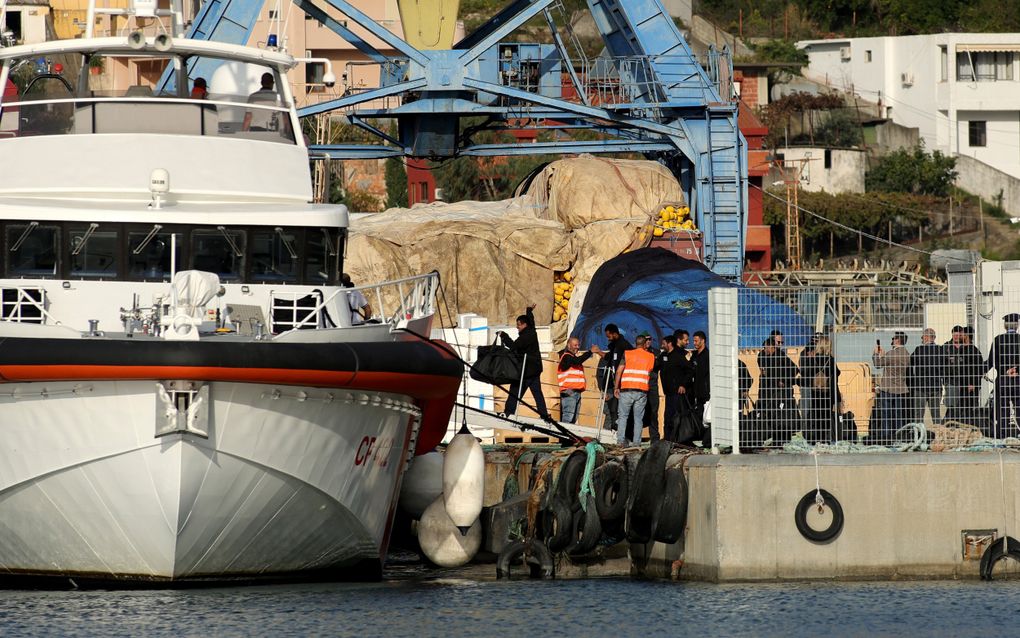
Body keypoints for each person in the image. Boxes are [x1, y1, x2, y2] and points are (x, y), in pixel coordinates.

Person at [499, 304, 551, 421]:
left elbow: (513, 346)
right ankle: (544, 415)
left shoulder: (525, 337)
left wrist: (504, 336)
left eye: (518, 325)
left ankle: (508, 412)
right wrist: (529, 310)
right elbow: (531, 321)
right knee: (537, 393)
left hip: (526, 371)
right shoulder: (532, 331)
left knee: (515, 391)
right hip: (535, 369)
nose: (517, 327)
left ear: (524, 325)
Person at [757, 333, 799, 443]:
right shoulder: (762, 356)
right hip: (767, 390)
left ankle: (781, 436)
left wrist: (784, 380)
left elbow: (795, 369)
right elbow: (765, 372)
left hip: (780, 393)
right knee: (767, 412)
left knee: (780, 414)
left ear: (772, 347)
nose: (766, 350)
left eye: (767, 348)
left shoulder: (781, 356)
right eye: (764, 347)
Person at [614, 335, 655, 446]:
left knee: (623, 417)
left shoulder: (627, 354)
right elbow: (650, 371)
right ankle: (637, 443)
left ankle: (620, 442)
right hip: (641, 391)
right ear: (645, 343)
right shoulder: (650, 356)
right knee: (638, 419)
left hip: (626, 390)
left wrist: (616, 387)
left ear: (635, 343)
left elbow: (618, 371)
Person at [798, 335, 841, 443]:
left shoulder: (814, 359)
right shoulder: (830, 360)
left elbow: (806, 373)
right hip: (827, 392)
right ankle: (825, 439)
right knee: (826, 416)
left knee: (816, 415)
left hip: (815, 392)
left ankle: (816, 438)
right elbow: (838, 373)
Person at [873, 332, 910, 443]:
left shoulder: (891, 354)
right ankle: (899, 437)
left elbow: (878, 364)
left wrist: (876, 354)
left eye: (893, 338)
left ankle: (886, 437)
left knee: (886, 415)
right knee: (899, 415)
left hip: (888, 389)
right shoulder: (907, 354)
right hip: (900, 389)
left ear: (897, 340)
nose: (892, 340)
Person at [988, 313, 1020, 438]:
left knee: (1002, 409)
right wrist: (1016, 369)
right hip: (1018, 380)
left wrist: (979, 370)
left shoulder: (998, 339)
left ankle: (1002, 435)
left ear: (1005, 326)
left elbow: (991, 361)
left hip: (1003, 380)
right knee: (1019, 407)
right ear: (1017, 325)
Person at [947, 326, 986, 429]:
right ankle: (962, 428)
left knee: (970, 408)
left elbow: (978, 369)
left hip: (970, 386)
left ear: (967, 336)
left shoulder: (973, 350)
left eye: (962, 334)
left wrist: (973, 383)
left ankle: (971, 428)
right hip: (962, 384)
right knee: (961, 408)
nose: (960, 335)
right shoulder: (961, 349)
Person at [597, 324, 632, 431]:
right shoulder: (614, 346)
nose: (608, 338)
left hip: (622, 384)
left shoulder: (624, 345)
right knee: (612, 410)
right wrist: (598, 351)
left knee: (620, 410)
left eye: (609, 336)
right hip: (612, 384)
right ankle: (613, 431)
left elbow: (628, 362)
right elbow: (608, 358)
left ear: (614, 333)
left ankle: (621, 433)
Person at [557, 337, 600, 424]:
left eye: (578, 345)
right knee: (568, 418)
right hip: (569, 391)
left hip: (577, 392)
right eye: (575, 345)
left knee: (573, 419)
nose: (577, 347)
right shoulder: (566, 357)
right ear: (569, 346)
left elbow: (577, 361)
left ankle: (568, 437)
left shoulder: (572, 358)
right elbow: (577, 361)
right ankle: (563, 437)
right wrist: (590, 352)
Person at [909, 328, 944, 426]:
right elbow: (944, 367)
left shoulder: (919, 350)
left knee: (919, 416)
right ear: (934, 338)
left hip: (921, 387)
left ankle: (919, 435)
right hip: (936, 387)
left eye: (922, 337)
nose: (921, 339)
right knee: (936, 415)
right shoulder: (940, 350)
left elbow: (911, 363)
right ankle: (938, 435)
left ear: (926, 337)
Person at [657, 334, 689, 441]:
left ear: (670, 344)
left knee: (676, 416)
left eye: (664, 343)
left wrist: (683, 384)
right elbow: (655, 367)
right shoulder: (663, 356)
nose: (662, 345)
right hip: (668, 393)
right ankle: (667, 439)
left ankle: (677, 438)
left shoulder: (678, 356)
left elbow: (689, 370)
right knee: (667, 417)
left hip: (677, 393)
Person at [688, 330, 711, 445]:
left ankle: (707, 440)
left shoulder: (708, 356)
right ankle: (700, 437)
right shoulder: (695, 355)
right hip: (696, 391)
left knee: (707, 417)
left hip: (706, 392)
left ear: (703, 341)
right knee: (698, 415)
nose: (694, 343)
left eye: (696, 341)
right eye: (694, 341)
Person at [641, 334, 661, 442]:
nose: (648, 341)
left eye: (650, 339)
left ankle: (655, 438)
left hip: (652, 385)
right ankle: (635, 437)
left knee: (653, 411)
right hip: (640, 385)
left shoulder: (656, 352)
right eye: (646, 339)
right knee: (639, 412)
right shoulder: (638, 352)